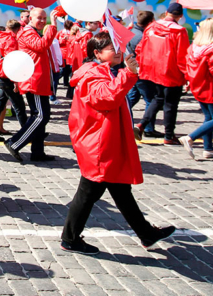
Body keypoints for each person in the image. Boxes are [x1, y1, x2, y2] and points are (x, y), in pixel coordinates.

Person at [62, 32, 175, 255]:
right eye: (112, 48)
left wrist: (127, 73)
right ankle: (70, 239)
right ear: (97, 53)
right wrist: (128, 73)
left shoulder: (101, 70)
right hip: (99, 143)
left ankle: (146, 233)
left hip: (105, 140)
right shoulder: (92, 74)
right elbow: (106, 98)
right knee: (88, 192)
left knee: (121, 189)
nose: (118, 51)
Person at [3, 8, 58, 163]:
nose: (42, 21)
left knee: (41, 116)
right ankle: (14, 143)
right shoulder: (28, 32)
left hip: (39, 80)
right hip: (35, 81)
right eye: (39, 18)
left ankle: (38, 152)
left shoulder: (32, 32)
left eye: (44, 18)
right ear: (30, 19)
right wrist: (53, 26)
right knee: (40, 116)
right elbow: (42, 46)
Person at [134, 3, 189, 145]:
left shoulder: (151, 27)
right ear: (180, 16)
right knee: (171, 104)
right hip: (171, 71)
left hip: (153, 70)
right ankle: (169, 135)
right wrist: (187, 75)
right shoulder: (179, 31)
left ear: (166, 12)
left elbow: (140, 48)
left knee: (158, 98)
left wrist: (142, 64)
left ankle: (142, 124)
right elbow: (182, 56)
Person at [0, 20, 27, 142]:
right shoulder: (11, 40)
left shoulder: (1, 37)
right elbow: (12, 62)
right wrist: (16, 82)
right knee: (19, 106)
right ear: (18, 29)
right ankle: (27, 133)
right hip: (7, 76)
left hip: (0, 75)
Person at [180, 18, 213, 160]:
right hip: (210, 87)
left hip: (198, 86)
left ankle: (208, 149)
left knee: (208, 118)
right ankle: (190, 137)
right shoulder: (210, 50)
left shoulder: (193, 47)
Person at [126, 11, 161, 137]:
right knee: (150, 100)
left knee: (132, 97)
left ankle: (120, 115)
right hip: (142, 70)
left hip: (135, 69)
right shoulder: (142, 36)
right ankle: (148, 129)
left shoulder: (132, 32)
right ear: (150, 21)